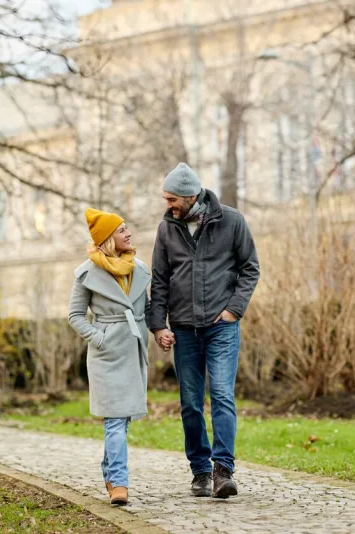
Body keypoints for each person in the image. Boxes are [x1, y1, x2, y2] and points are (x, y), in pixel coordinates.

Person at [149, 163, 260, 499]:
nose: (167, 204)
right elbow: (159, 280)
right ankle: (200, 471)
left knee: (223, 395)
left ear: (190, 196)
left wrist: (233, 310)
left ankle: (223, 470)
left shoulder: (231, 220)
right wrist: (158, 325)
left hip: (221, 327)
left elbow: (250, 268)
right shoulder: (167, 228)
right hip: (183, 329)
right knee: (190, 402)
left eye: (171, 199)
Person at [68, 208, 150, 506]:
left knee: (122, 419)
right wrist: (99, 338)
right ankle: (119, 481)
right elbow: (75, 315)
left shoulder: (139, 269)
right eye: (122, 230)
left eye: (127, 228)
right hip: (106, 354)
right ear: (108, 240)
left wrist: (161, 330)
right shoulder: (87, 273)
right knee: (114, 419)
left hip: (135, 350)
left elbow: (148, 308)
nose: (128, 233)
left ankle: (109, 472)